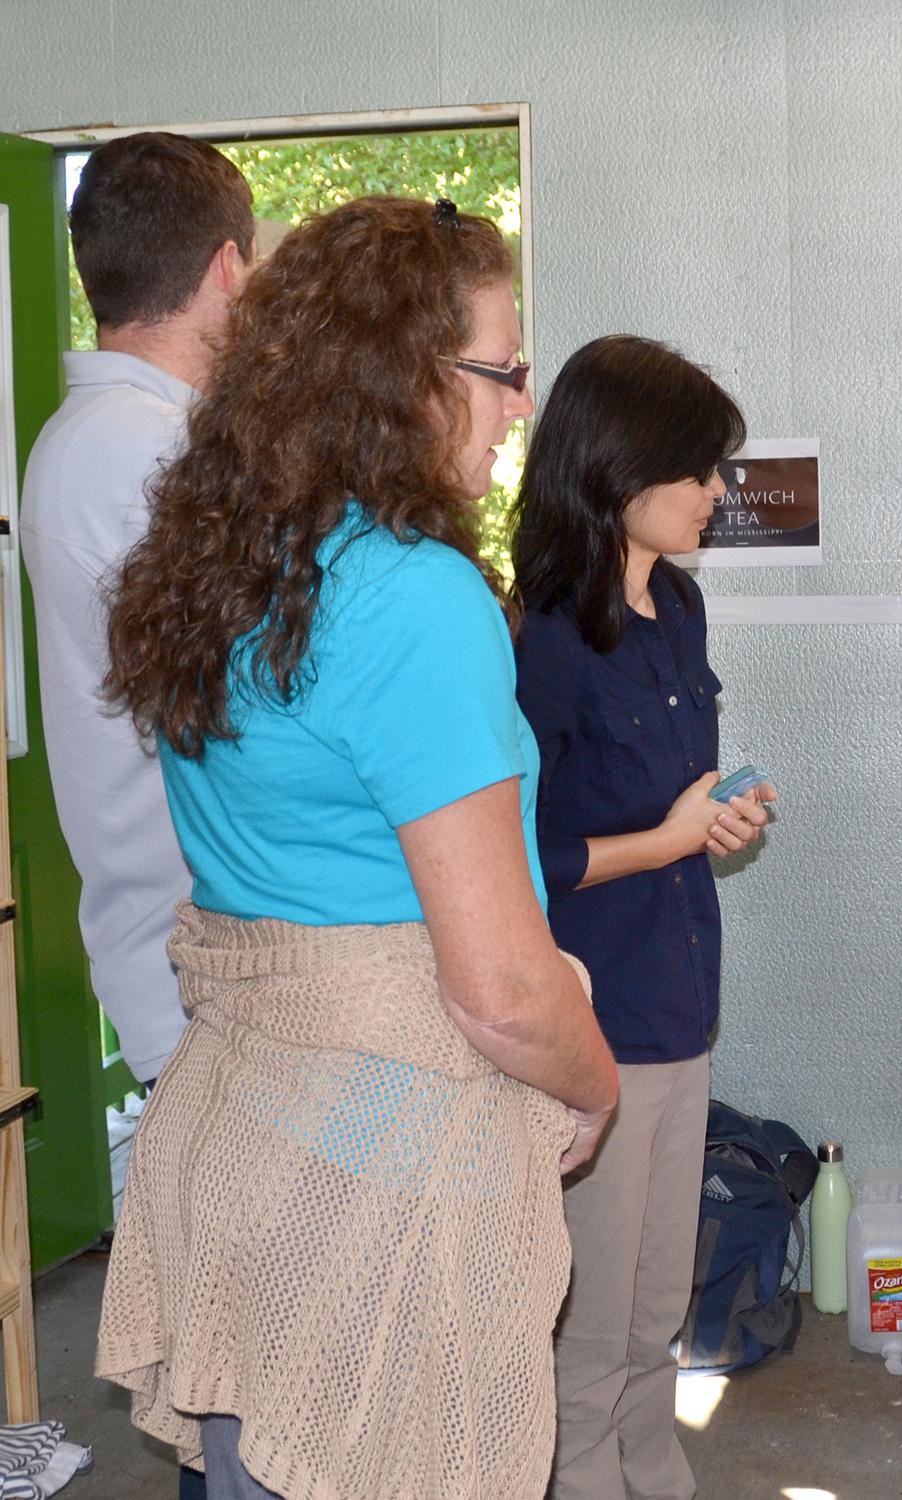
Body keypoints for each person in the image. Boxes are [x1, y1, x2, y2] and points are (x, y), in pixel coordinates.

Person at [94, 196, 618, 1500]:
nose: (518, 406)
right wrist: (595, 1080)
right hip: (378, 1187)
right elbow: (498, 990)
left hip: (239, 1139)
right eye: (500, 371)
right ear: (400, 377)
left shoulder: (230, 562)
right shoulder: (410, 596)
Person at [510, 334, 774, 1499]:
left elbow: (673, 805)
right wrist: (663, 840)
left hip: (681, 1005)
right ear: (620, 474)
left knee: (660, 1306)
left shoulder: (680, 607)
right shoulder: (540, 645)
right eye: (699, 470)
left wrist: (716, 822)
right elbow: (510, 857)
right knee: (591, 1315)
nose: (717, 492)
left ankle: (654, 1475)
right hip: (589, 1027)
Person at [20, 132, 253, 1095]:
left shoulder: (106, 439)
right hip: (200, 981)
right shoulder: (144, 457)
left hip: (197, 966)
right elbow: (253, 701)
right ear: (229, 270)